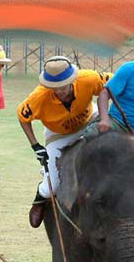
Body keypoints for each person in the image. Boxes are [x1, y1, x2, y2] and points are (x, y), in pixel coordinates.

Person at [17, 56, 113, 228]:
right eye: (54, 88)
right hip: (58, 134)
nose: (59, 91)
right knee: (52, 186)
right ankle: (41, 196)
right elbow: (22, 116)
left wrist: (106, 116)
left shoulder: (88, 78)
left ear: (72, 79)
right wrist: (35, 145)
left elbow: (113, 85)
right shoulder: (38, 97)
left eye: (63, 86)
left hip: (92, 120)